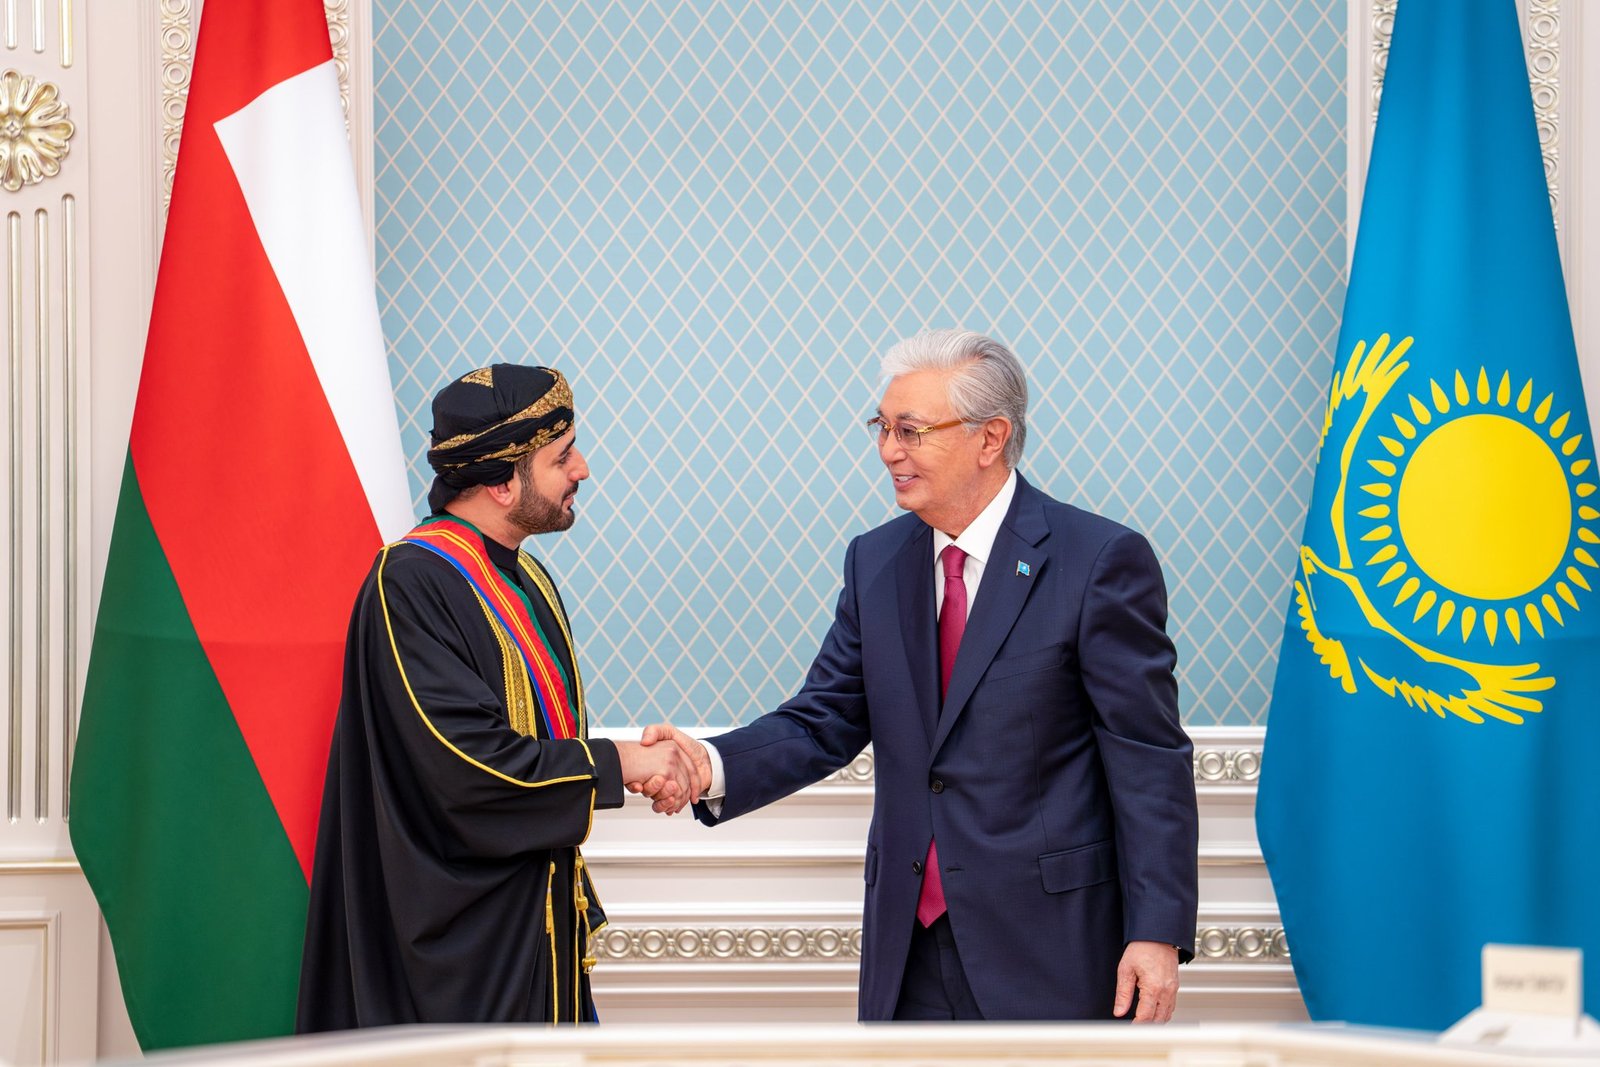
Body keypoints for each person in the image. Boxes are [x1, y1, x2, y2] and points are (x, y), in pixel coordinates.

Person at [644, 329, 1198, 1022]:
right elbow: (823, 717)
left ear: (990, 438)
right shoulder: (875, 562)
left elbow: (1147, 757)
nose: (888, 450)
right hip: (908, 948)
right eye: (882, 427)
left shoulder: (1097, 560)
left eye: (910, 430)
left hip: (1051, 948)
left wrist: (1156, 930)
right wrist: (709, 764)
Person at [297, 363, 696, 1030]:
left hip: (539, 930)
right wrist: (622, 762)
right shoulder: (410, 582)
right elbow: (468, 769)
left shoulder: (527, 580)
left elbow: (546, 745)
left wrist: (626, 763)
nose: (583, 469)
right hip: (462, 956)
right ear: (501, 481)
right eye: (562, 457)